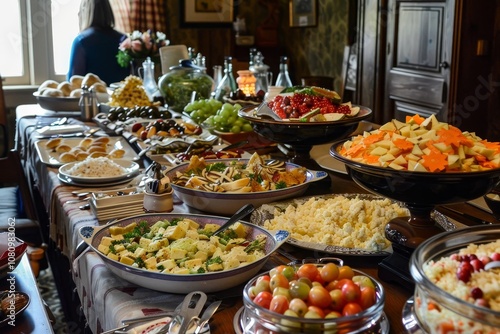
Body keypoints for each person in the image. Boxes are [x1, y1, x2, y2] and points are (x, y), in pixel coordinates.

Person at [67, 0, 130, 85]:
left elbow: (73, 82)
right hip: (120, 97)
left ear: (84, 13)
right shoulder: (124, 40)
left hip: (92, 98)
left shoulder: (81, 41)